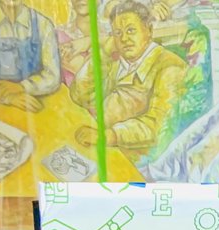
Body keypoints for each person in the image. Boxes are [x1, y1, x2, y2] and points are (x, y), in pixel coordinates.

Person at [69, 0, 186, 161]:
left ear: (149, 30)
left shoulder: (170, 67)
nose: (124, 38)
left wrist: (109, 136)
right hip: (105, 150)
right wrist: (102, 54)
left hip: (141, 162)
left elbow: (159, 125)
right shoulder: (117, 61)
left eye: (131, 30)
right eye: (117, 33)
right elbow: (80, 96)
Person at [0, 0, 60, 111]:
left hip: (35, 104)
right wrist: (9, 97)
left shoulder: (43, 25)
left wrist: (22, 87)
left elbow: (53, 75)